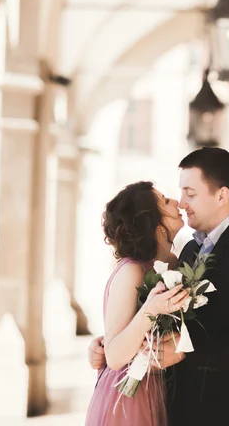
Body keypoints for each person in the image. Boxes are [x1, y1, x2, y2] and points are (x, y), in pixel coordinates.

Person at [89, 148, 229, 426]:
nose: (182, 203)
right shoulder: (187, 252)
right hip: (181, 409)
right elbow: (163, 321)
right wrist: (110, 340)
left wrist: (185, 351)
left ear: (222, 195)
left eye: (190, 193)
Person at [84, 180, 189, 426]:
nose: (176, 201)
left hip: (157, 387)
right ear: (156, 224)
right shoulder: (132, 270)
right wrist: (150, 310)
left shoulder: (174, 263)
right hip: (126, 395)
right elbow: (115, 355)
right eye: (165, 201)